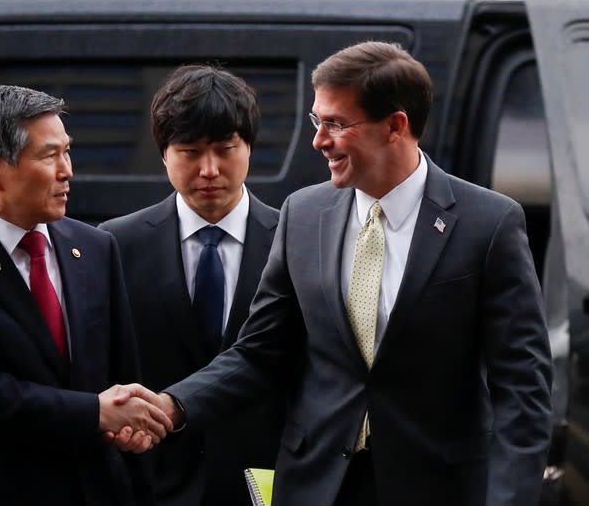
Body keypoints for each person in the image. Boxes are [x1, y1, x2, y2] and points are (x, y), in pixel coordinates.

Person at [113, 42, 553, 506]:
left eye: (336, 124)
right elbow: (260, 352)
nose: (319, 140)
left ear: (395, 127)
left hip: (437, 485)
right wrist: (173, 405)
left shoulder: (488, 223)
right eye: (317, 121)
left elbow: (522, 391)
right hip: (317, 485)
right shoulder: (305, 213)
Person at [0, 84, 172, 506]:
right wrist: (95, 413)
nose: (67, 171)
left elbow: (120, 373)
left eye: (67, 151)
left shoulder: (95, 247)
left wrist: (130, 429)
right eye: (48, 155)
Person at [99, 64, 282, 506]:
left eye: (225, 149)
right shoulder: (116, 244)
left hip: (265, 481)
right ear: (164, 153)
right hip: (150, 480)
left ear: (249, 148)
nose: (209, 170)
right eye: (190, 151)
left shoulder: (294, 242)